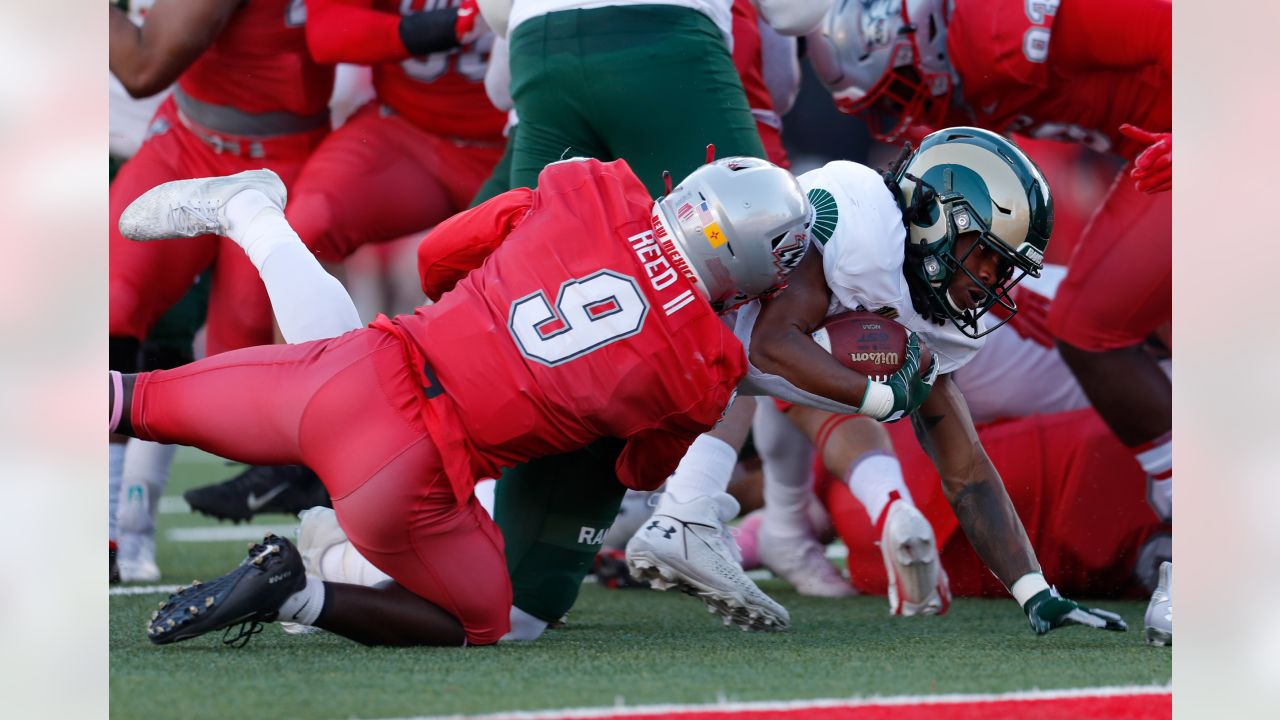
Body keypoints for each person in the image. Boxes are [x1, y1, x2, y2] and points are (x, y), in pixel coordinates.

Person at [111, 154, 811, 647]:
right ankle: (296, 592)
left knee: (129, 401)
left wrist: (488, 303)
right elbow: (638, 472)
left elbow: (437, 258)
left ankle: (253, 216)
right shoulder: (702, 368)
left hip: (361, 366)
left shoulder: (590, 189)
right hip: (407, 472)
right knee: (485, 621)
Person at [626, 127, 1128, 636]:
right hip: (633, 332)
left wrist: (1036, 593)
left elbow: (968, 471)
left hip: (670, 377)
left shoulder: (931, 315)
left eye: (1005, 268)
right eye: (989, 256)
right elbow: (770, 344)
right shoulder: (862, 223)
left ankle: (699, 517)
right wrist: (876, 397)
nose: (992, 281)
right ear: (937, 220)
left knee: (543, 596)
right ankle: (690, 513)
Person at [806, 0, 1171, 642]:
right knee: (1116, 319)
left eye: (906, 83)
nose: (913, 108)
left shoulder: (991, 22)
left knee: (1094, 323)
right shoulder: (859, 242)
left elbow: (1206, 28)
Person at [180, 0, 508, 521]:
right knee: (303, 226)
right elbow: (333, 34)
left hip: (512, 141)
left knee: (528, 274)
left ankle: (530, 470)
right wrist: (459, 22)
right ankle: (310, 446)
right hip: (406, 131)